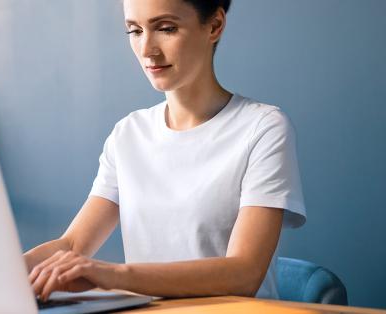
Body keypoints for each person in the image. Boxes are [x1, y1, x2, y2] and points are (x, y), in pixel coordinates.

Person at [24, 0, 306, 301]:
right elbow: (72, 245)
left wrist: (111, 275)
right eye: (134, 31)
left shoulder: (262, 128)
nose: (147, 50)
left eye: (166, 29)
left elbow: (244, 274)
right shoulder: (128, 134)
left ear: (214, 26)